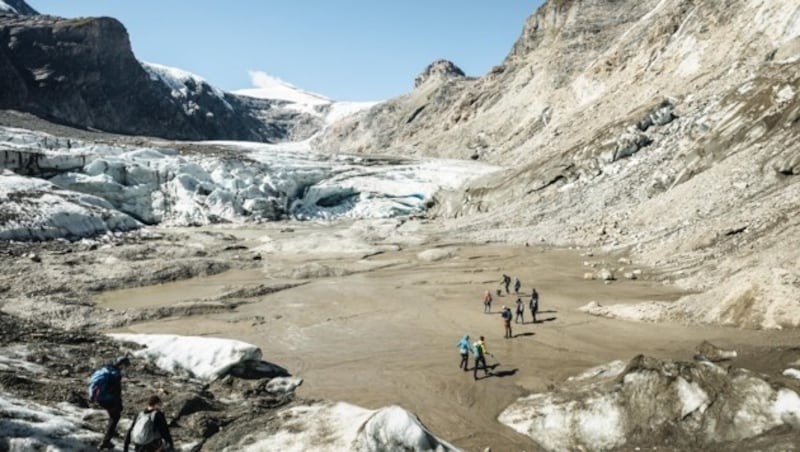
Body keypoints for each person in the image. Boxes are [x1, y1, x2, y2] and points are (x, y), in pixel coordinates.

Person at [91, 356, 130, 450]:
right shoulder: (116, 374)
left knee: (113, 414)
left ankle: (110, 433)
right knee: (115, 416)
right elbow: (116, 391)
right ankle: (105, 442)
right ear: (122, 364)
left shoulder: (106, 368)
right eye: (125, 366)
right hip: (108, 399)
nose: (125, 368)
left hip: (99, 397)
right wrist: (119, 402)